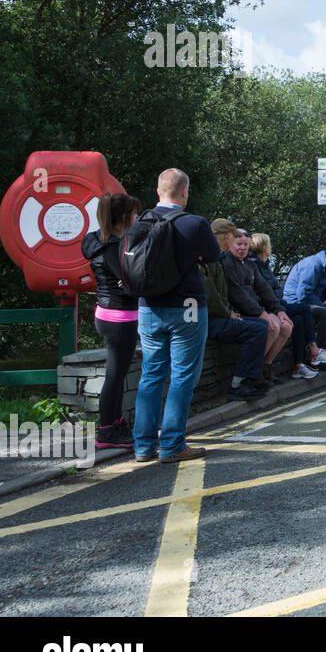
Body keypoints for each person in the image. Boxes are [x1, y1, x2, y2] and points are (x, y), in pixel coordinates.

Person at [132, 168, 220, 464]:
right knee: (183, 375)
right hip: (188, 306)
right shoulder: (194, 223)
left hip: (149, 305)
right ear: (184, 192)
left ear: (158, 191)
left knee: (150, 373)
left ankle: (143, 446)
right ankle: (171, 445)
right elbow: (213, 256)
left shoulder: (141, 221)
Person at [80, 192, 142, 448]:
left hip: (105, 313)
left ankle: (115, 422)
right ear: (125, 218)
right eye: (136, 213)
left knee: (116, 372)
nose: (138, 217)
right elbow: (130, 283)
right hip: (120, 316)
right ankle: (107, 430)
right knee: (115, 374)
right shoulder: (115, 247)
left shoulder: (96, 240)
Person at [248, 232, 326, 376]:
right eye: (269, 244)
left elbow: (275, 289)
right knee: (304, 308)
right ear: (262, 247)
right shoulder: (255, 267)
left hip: (276, 304)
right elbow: (265, 292)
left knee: (298, 320)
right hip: (269, 307)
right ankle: (314, 349)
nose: (271, 247)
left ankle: (298, 365)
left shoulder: (265, 265)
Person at [220, 225, 297, 383]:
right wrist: (262, 314)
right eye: (238, 244)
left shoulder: (249, 264)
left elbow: (264, 289)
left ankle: (265, 366)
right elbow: (237, 295)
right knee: (272, 326)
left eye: (246, 245)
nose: (242, 248)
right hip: (238, 311)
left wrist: (279, 310)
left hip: (253, 309)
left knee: (286, 326)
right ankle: (253, 372)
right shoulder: (227, 263)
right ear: (230, 244)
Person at [204, 219, 270, 401]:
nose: (236, 244)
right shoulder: (212, 257)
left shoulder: (215, 255)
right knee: (257, 329)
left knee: (260, 326)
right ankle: (238, 384)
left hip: (215, 315)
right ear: (225, 237)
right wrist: (228, 313)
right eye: (233, 239)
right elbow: (211, 294)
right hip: (208, 319)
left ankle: (251, 379)